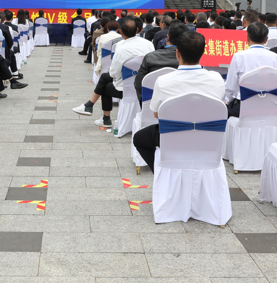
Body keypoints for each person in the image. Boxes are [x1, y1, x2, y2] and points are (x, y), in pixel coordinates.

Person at [132, 31, 225, 172]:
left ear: (177, 53)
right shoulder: (217, 79)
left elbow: (157, 114)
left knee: (139, 138)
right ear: (203, 52)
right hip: (208, 137)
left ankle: (161, 173)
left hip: (173, 136)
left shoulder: (163, 81)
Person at [73, 18, 155, 127]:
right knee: (104, 78)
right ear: (138, 30)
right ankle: (90, 106)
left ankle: (104, 117)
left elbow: (113, 73)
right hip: (145, 86)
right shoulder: (149, 44)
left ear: (120, 32)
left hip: (127, 88)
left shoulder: (121, 47)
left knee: (105, 86)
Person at [224, 23, 277, 117]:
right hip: (268, 105)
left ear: (247, 38)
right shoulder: (275, 57)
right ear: (266, 39)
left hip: (243, 106)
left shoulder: (239, 56)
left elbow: (230, 86)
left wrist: (227, 100)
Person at [133, 21, 187, 103]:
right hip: (182, 105)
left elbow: (138, 85)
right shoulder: (190, 60)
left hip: (152, 107)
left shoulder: (150, 58)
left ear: (167, 38)